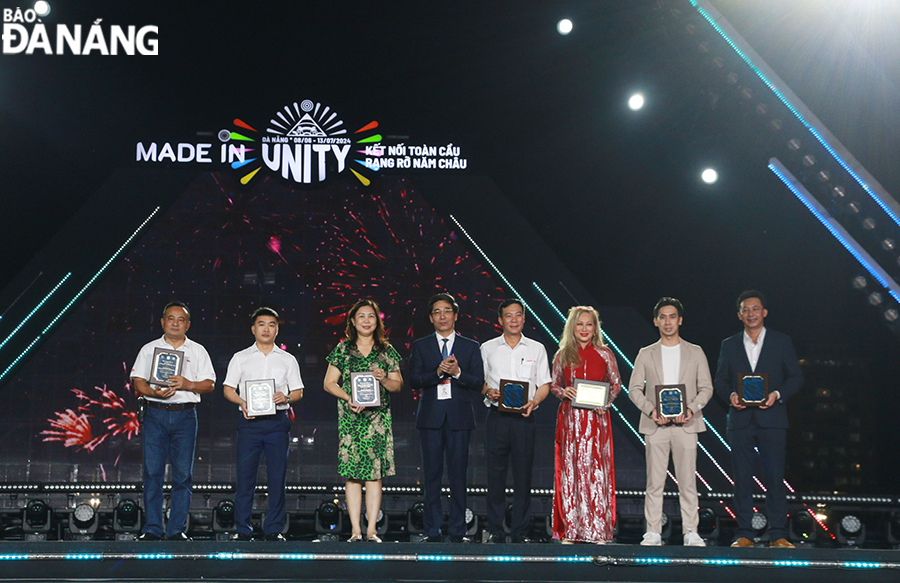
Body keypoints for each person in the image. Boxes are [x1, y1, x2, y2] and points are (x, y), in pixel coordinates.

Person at [714, 290, 803, 548]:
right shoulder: (728, 344)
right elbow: (720, 380)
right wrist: (730, 395)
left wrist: (777, 394)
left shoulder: (781, 341)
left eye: (756, 308)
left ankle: (778, 535)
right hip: (740, 420)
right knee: (741, 479)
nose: (751, 313)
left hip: (772, 419)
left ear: (764, 312)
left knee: (775, 478)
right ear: (739, 315)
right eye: (746, 309)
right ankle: (744, 534)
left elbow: (796, 377)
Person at [628, 298, 712, 547]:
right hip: (656, 426)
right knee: (654, 482)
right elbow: (634, 389)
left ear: (680, 320)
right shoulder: (646, 353)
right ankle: (653, 531)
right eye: (662, 317)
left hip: (687, 425)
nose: (667, 321)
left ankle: (690, 532)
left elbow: (706, 388)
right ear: (656, 321)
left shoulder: (695, 351)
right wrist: (652, 410)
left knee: (688, 481)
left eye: (672, 316)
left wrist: (691, 408)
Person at [130, 301, 215, 541]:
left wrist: (188, 384)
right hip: (155, 413)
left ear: (188, 324)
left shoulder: (198, 350)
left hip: (186, 415)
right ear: (162, 322)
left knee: (183, 475)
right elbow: (138, 381)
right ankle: (153, 529)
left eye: (181, 320)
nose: (175, 323)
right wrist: (153, 392)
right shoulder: (149, 349)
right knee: (152, 472)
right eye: (171, 318)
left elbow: (209, 384)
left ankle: (177, 529)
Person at [324, 299, 403, 542]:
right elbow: (329, 383)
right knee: (353, 475)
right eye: (361, 316)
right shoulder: (343, 349)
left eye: (371, 316)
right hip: (351, 419)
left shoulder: (386, 351)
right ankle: (355, 531)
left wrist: (382, 379)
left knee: (375, 476)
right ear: (352, 322)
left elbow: (397, 385)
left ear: (378, 321)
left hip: (377, 421)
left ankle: (371, 531)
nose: (366, 320)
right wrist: (348, 398)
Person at [222, 307, 304, 542]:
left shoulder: (287, 359)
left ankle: (273, 529)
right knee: (245, 477)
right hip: (249, 423)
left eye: (271, 324)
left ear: (277, 329)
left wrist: (286, 398)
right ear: (253, 328)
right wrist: (242, 401)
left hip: (278, 423)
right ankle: (243, 529)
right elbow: (228, 388)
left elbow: (298, 391)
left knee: (277, 478)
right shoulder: (241, 357)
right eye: (261, 324)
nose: (266, 328)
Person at [409, 293, 484, 543]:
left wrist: (458, 372)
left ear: (455, 315)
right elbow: (415, 379)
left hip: (460, 419)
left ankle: (458, 531)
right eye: (437, 312)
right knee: (431, 475)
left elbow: (478, 382)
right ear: (431, 318)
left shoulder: (470, 346)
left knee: (458, 476)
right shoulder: (420, 345)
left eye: (447, 311)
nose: (443, 316)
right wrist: (438, 372)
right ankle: (432, 531)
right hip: (430, 418)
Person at [480, 299, 551, 543]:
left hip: (524, 418)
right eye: (508, 316)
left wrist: (535, 402)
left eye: (518, 315)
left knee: (523, 477)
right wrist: (488, 391)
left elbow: (544, 384)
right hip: (496, 418)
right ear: (500, 320)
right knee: (494, 476)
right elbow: (479, 381)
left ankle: (520, 532)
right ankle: (496, 532)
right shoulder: (487, 348)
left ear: (523, 318)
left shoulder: (537, 348)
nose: (513, 319)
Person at [549, 306, 622, 544]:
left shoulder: (605, 354)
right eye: (579, 324)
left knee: (596, 473)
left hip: (597, 422)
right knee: (571, 474)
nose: (584, 329)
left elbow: (616, 384)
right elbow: (554, 384)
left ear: (595, 327)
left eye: (589, 324)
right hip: (570, 423)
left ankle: (598, 530)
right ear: (572, 327)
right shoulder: (562, 354)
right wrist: (564, 391)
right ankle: (571, 529)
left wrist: (606, 401)